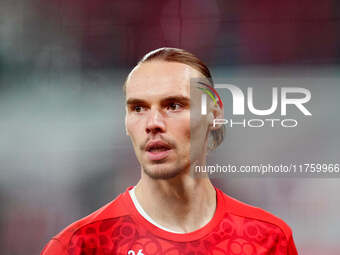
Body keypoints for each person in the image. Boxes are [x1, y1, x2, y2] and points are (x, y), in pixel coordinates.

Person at [41, 47, 298, 255]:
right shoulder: (80, 246)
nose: (153, 123)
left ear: (214, 114)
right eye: (138, 108)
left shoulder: (268, 239)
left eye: (173, 105)